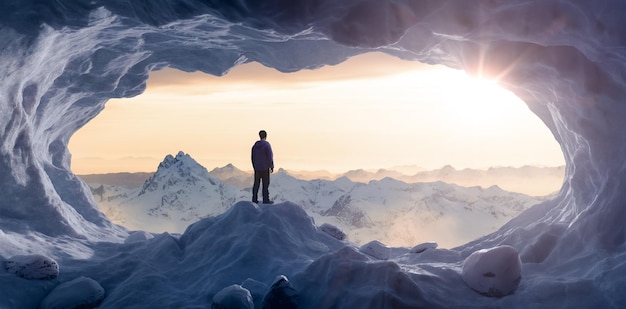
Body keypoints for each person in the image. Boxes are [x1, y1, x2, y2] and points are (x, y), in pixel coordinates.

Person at [251, 130, 274, 204]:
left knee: (256, 183)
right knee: (265, 184)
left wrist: (254, 166)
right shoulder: (267, 145)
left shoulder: (255, 146)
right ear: (266, 136)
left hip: (257, 168)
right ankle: (265, 199)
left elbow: (252, 157)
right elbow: (270, 156)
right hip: (265, 168)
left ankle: (254, 199)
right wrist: (271, 166)